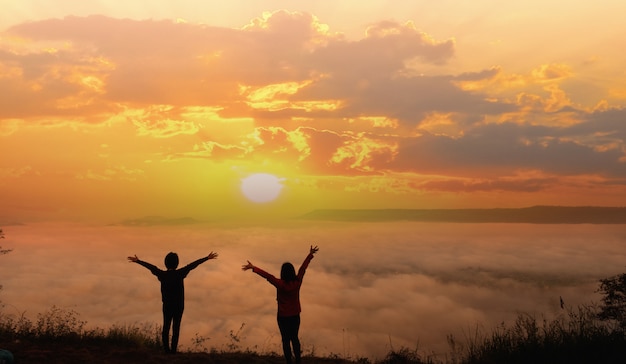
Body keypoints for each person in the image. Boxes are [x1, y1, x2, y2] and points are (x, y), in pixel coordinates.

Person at [128, 251, 218, 354]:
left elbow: (151, 267)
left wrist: (138, 261)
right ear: (177, 263)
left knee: (166, 327)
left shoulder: (162, 275)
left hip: (167, 306)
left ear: (166, 263)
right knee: (176, 328)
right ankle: (173, 351)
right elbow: (193, 265)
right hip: (179, 306)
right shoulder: (180, 273)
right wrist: (207, 258)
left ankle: (166, 350)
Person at [242, 245, 319, 364]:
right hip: (295, 316)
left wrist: (254, 268)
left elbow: (268, 276)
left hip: (283, 317)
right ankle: (298, 361)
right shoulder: (297, 282)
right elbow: (303, 269)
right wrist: (310, 255)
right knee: (295, 338)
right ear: (292, 272)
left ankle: (289, 362)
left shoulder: (280, 283)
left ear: (282, 272)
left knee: (285, 340)